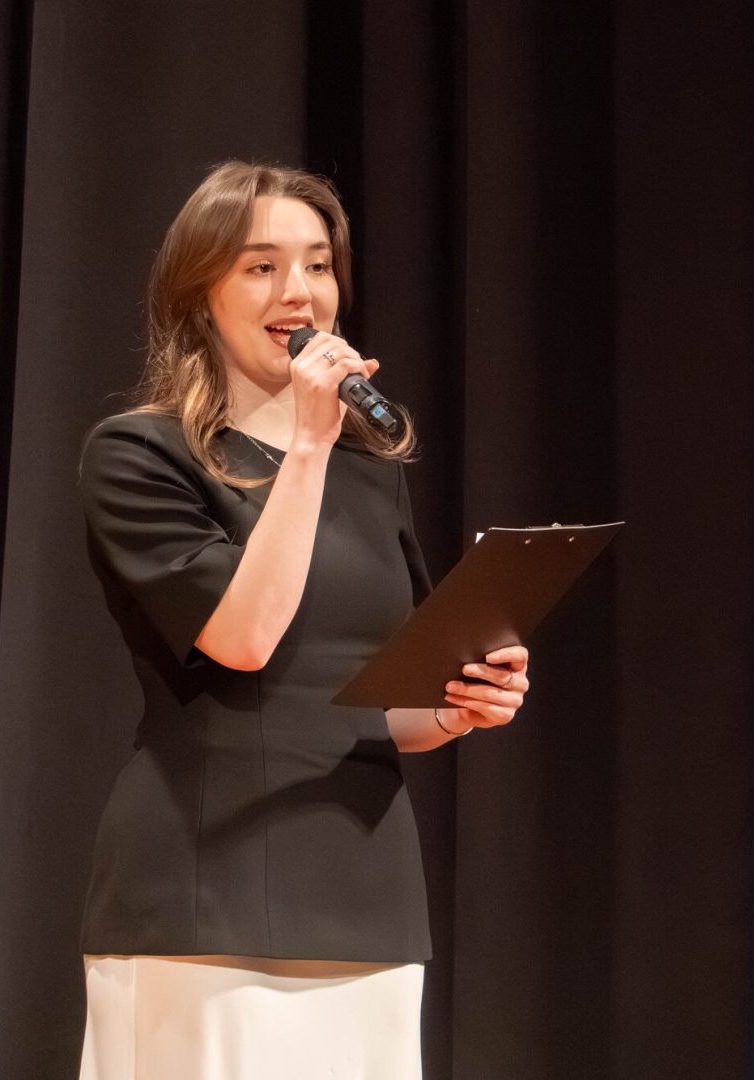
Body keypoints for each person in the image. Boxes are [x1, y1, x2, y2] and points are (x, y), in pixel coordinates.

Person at [73, 161, 530, 1079]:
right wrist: (311, 443)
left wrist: (457, 707)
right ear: (199, 293)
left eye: (318, 265)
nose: (300, 291)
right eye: (261, 266)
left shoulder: (368, 472)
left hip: (365, 889)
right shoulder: (140, 454)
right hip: (209, 890)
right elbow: (243, 640)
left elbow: (374, 703)